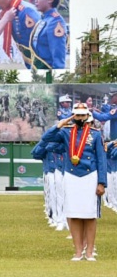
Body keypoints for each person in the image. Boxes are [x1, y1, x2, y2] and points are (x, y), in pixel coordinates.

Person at [41, 104, 106, 261]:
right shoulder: (65, 132)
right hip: (71, 175)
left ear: (87, 116)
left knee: (90, 215)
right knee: (73, 214)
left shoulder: (95, 134)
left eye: (83, 115)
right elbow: (46, 138)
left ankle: (89, 251)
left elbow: (101, 159)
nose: (80, 118)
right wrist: (60, 124)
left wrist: (102, 182)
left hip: (90, 175)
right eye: (77, 115)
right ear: (73, 116)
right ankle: (78, 251)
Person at [29, 0, 68, 69]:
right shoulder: (43, 19)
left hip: (48, 74)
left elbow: (58, 58)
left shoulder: (55, 21)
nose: (35, 0)